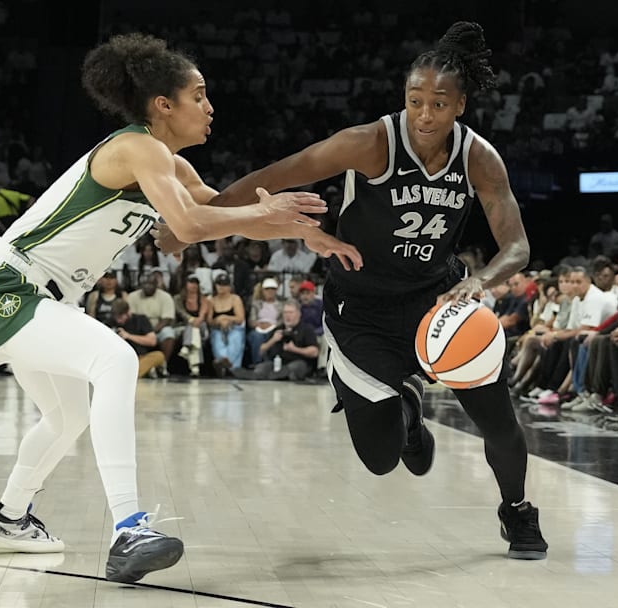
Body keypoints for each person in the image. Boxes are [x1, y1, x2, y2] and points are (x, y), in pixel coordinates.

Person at [0, 32, 358, 584]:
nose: (210, 106)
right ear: (163, 104)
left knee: (68, 416)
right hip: (8, 285)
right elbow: (191, 227)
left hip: (37, 295)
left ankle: (7, 517)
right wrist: (265, 216)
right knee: (116, 360)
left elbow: (219, 214)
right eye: (200, 95)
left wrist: (306, 234)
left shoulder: (172, 167)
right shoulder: (135, 146)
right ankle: (129, 528)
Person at [158, 22, 546, 559]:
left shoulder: (479, 158)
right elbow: (276, 175)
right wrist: (194, 223)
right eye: (415, 101)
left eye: (438, 103)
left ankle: (518, 511)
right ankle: (406, 412)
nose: (425, 115)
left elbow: (518, 248)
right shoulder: (368, 143)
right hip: (359, 309)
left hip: (437, 302)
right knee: (381, 458)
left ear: (460, 106)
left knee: (498, 418)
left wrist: (478, 282)